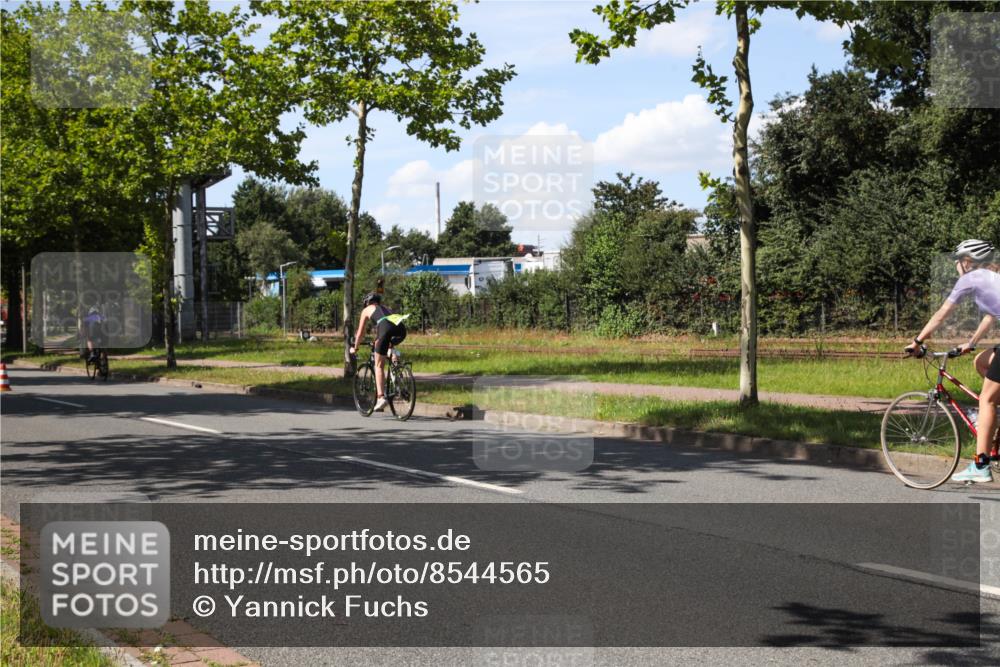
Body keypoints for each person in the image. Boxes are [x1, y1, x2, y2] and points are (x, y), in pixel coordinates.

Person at [905, 239, 1000, 483]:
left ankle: (980, 466)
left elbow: (941, 315)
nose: (958, 266)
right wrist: (972, 342)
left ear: (968, 261)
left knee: (987, 400)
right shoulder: (994, 276)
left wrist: (917, 341)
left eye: (959, 262)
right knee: (981, 361)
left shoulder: (970, 278)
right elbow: (992, 314)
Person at [349, 292, 408, 412]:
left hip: (385, 328)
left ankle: (381, 398)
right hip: (401, 328)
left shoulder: (366, 310)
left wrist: (355, 347)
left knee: (378, 366)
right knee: (388, 346)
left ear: (366, 303)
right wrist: (378, 340)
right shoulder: (387, 308)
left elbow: (360, 333)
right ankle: (397, 371)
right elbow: (386, 328)